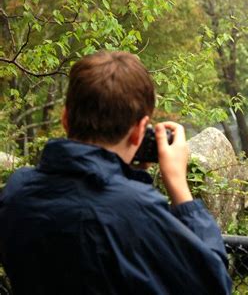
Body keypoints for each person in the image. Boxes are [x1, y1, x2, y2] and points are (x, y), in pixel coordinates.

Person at [0, 51, 232, 295]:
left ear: (65, 118)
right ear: (139, 130)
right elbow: (213, 284)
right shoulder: (137, 210)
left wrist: (126, 176)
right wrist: (179, 187)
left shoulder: (17, 192)